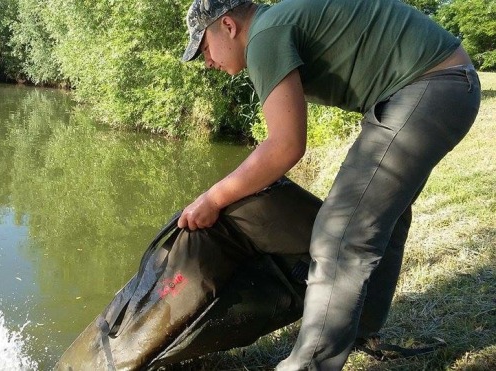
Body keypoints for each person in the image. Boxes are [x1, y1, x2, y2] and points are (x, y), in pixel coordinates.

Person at [179, 0, 481, 369]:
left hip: (429, 86)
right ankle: (357, 329)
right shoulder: (278, 22)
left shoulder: (264, 35)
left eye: (204, 46)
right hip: (445, 84)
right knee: (383, 218)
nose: (206, 61)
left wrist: (213, 197)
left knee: (339, 233)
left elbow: (285, 145)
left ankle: (310, 362)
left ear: (227, 25)